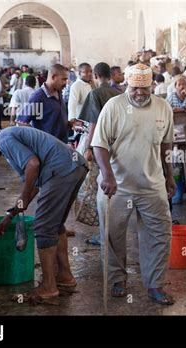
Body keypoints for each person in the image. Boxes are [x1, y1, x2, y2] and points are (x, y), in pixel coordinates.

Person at [92, 63, 176, 305]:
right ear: (126, 84)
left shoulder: (163, 107)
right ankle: (118, 278)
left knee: (159, 234)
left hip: (152, 185)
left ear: (152, 85)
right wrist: (107, 174)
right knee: (112, 234)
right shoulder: (113, 106)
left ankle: (155, 285)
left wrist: (169, 175)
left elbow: (166, 145)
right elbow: (99, 144)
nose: (140, 93)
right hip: (117, 185)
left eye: (145, 88)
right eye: (135, 88)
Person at [0, 126, 87, 300]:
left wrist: (23, 196)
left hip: (61, 169)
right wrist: (11, 214)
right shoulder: (10, 138)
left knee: (43, 228)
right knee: (55, 225)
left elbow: (33, 164)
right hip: (74, 167)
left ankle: (48, 286)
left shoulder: (3, 138)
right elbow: (34, 183)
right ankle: (64, 276)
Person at [77, 62, 121, 246]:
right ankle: (112, 234)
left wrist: (88, 147)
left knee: (100, 191)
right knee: (115, 190)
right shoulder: (119, 93)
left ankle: (104, 236)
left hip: (101, 148)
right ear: (109, 75)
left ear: (95, 75)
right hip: (117, 148)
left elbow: (93, 124)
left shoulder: (95, 94)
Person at [16, 64, 81, 143]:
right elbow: (21, 122)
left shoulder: (59, 92)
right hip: (47, 148)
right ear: (53, 77)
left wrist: (69, 123)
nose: (66, 83)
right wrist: (39, 139)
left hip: (61, 144)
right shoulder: (38, 97)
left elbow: (52, 120)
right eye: (63, 79)